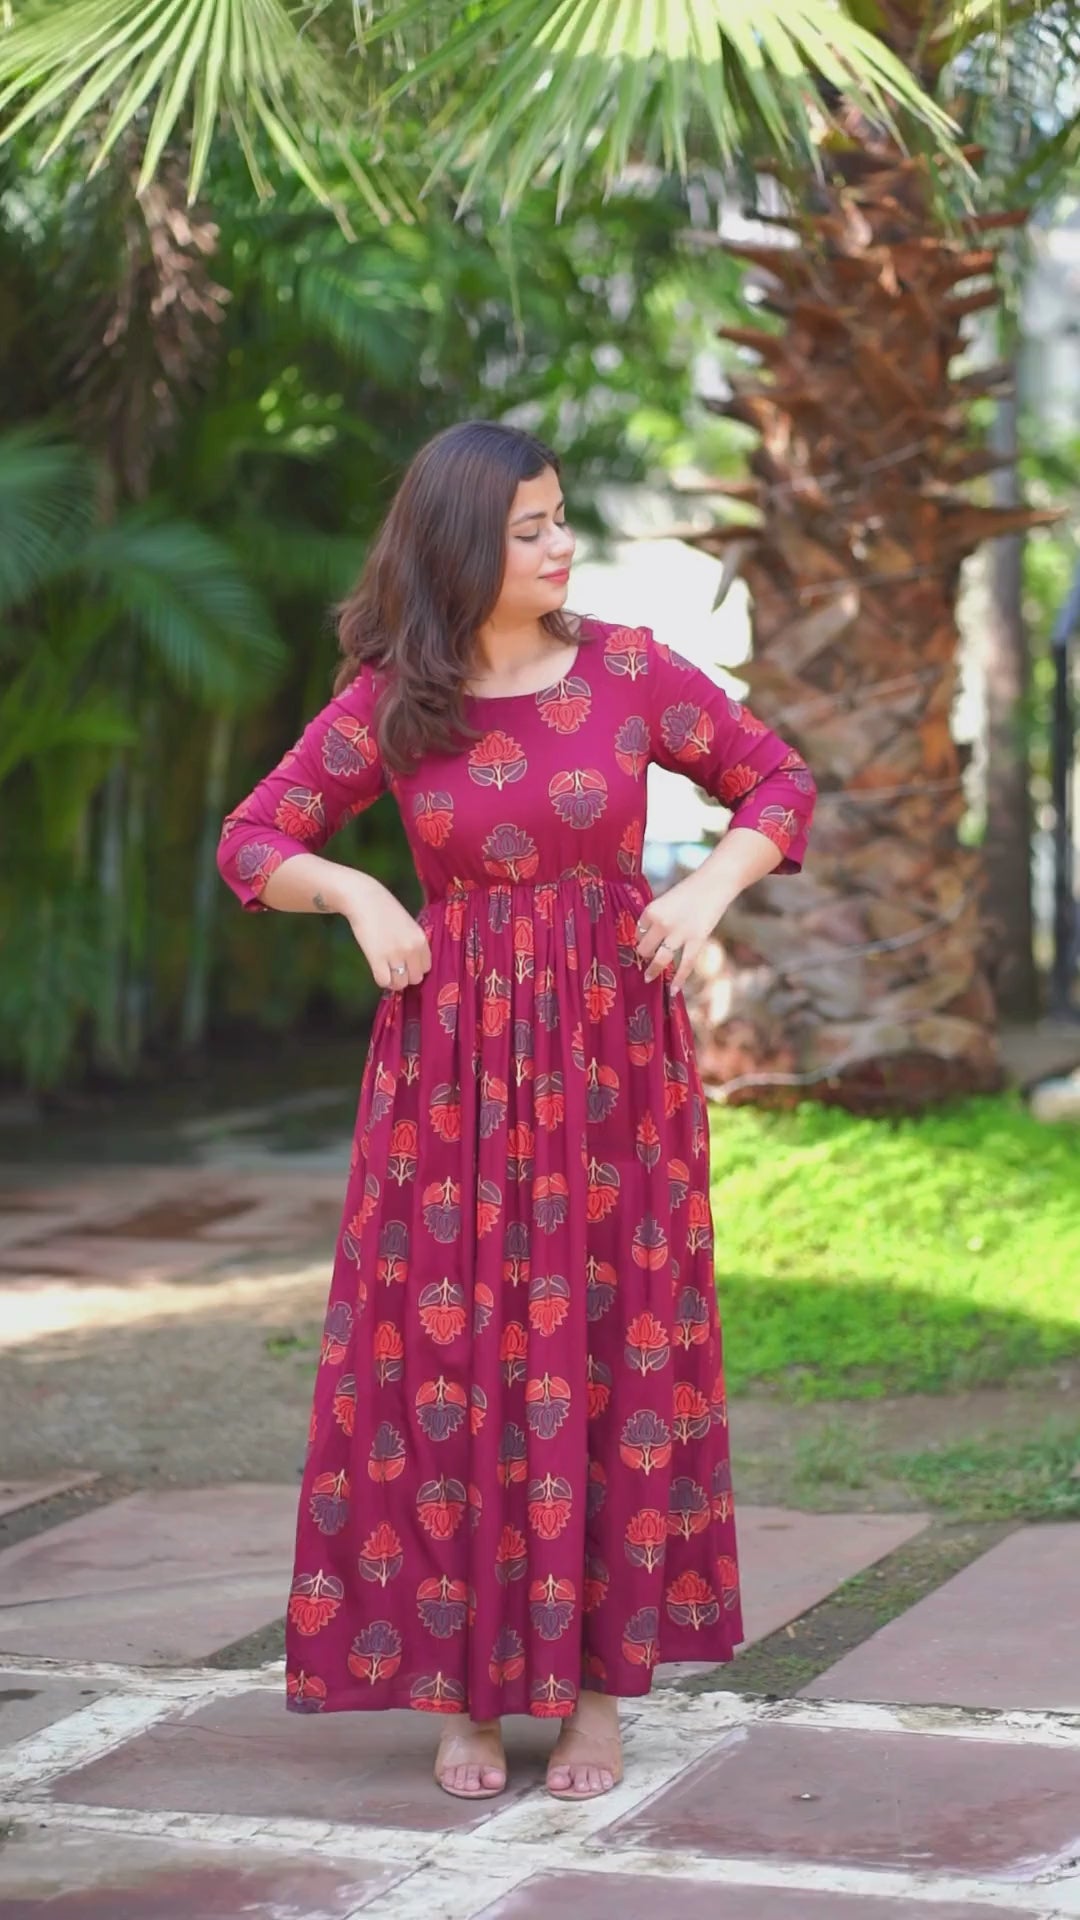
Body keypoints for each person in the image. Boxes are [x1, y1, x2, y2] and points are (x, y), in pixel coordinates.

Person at [216, 420, 816, 1803]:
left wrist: (702, 890)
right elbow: (253, 838)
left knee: (610, 1349)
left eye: (559, 517)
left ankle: (596, 1692)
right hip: (450, 1081)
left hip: (616, 1067)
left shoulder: (629, 671)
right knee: (451, 1361)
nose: (562, 545)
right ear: (457, 550)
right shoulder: (394, 698)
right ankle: (467, 1691)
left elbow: (777, 781)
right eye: (530, 527)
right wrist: (359, 893)